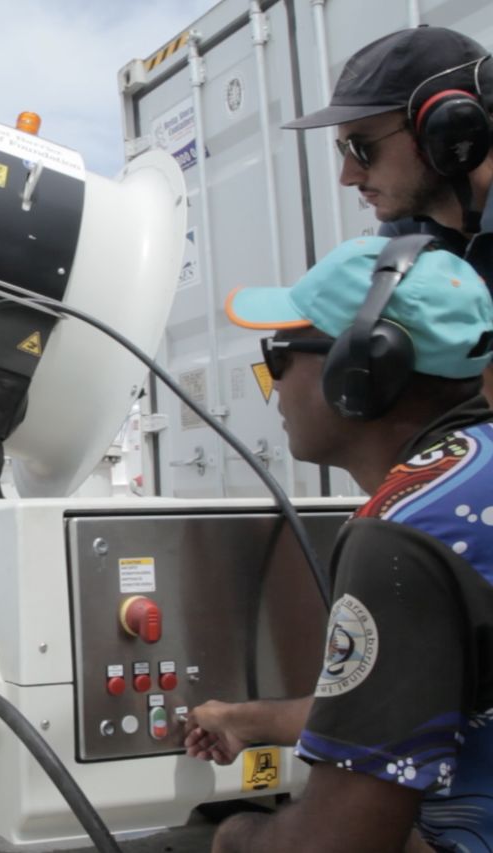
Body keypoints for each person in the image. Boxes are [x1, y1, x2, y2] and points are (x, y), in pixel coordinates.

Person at [190, 234, 493, 852]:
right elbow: (429, 697)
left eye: (278, 356)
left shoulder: (402, 533)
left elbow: (341, 842)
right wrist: (246, 720)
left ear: (358, 368)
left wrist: (238, 837)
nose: (272, 385)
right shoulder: (470, 479)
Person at [283, 26, 493, 399]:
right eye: (342, 150)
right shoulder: (407, 237)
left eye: (362, 148)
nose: (348, 176)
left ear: (448, 131)